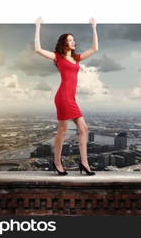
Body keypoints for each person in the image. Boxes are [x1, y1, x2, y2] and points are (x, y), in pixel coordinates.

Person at [34, 17, 99, 176]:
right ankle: (57, 162)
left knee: (84, 129)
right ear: (64, 43)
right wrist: (38, 26)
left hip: (71, 98)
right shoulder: (58, 56)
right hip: (63, 97)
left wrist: (94, 27)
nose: (73, 42)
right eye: (69, 40)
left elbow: (95, 49)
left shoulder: (76, 58)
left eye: (73, 39)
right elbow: (37, 49)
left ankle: (84, 163)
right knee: (62, 130)